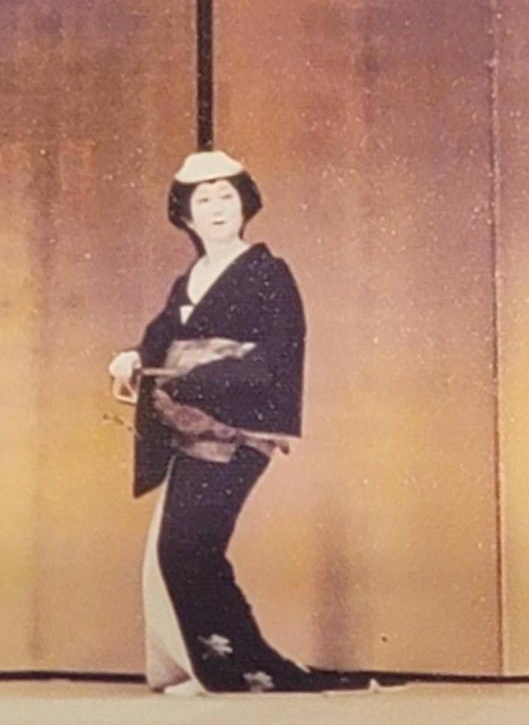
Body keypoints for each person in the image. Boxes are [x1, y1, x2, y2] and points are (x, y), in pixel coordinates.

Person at [107, 150, 396, 695]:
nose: (217, 208)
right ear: (185, 215)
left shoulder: (268, 272)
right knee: (181, 551)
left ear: (245, 206)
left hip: (236, 427)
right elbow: (160, 338)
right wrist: (134, 358)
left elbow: (276, 354)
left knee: (189, 548)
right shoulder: (190, 279)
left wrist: (191, 375)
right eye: (203, 200)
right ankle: (213, 666)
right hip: (188, 424)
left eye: (227, 197)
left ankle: (234, 671)